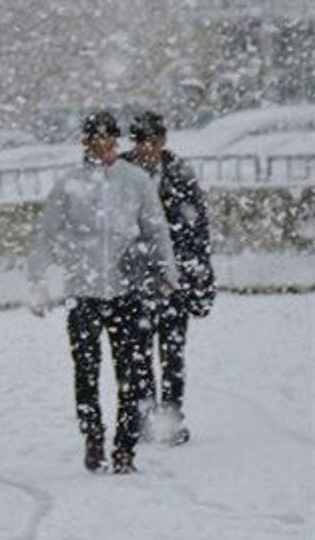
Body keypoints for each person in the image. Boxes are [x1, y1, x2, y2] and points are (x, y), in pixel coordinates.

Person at [27, 111, 178, 474]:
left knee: (131, 371)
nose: (104, 149)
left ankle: (125, 447)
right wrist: (41, 282)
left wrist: (167, 273)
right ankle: (93, 436)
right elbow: (45, 235)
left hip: (127, 290)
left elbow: (156, 230)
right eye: (96, 142)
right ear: (86, 143)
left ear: (117, 142)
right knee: (86, 370)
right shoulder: (69, 183)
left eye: (110, 142)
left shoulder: (136, 180)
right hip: (84, 290)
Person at [121, 111, 215, 446]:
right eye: (141, 141)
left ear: (163, 140)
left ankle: (171, 417)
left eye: (153, 140)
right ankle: (147, 417)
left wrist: (199, 275)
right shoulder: (121, 175)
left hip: (175, 280)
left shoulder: (179, 175)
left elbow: (197, 230)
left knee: (172, 353)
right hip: (134, 282)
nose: (147, 147)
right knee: (139, 354)